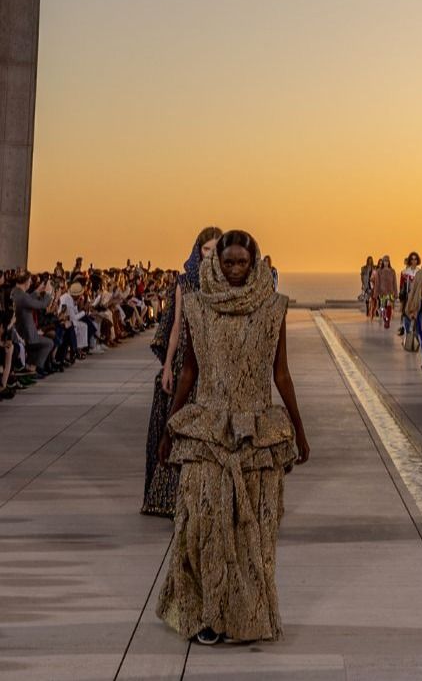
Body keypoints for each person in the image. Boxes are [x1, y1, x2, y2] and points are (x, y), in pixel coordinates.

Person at [156, 231, 307, 646]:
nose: (236, 270)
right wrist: (171, 428)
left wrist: (299, 429)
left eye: (243, 263)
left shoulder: (274, 308)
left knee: (251, 532)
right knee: (201, 525)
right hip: (206, 428)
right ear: (217, 263)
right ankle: (205, 614)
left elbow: (282, 374)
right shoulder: (199, 308)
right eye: (229, 263)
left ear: (255, 263)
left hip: (255, 434)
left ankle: (246, 616)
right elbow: (189, 371)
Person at [142, 227, 217, 519]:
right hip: (185, 357)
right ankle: (169, 497)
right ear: (198, 251)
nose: (210, 254)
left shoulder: (224, 284)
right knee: (177, 424)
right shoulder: (185, 283)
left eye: (215, 249)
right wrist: (167, 365)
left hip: (210, 361)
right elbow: (174, 328)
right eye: (206, 249)